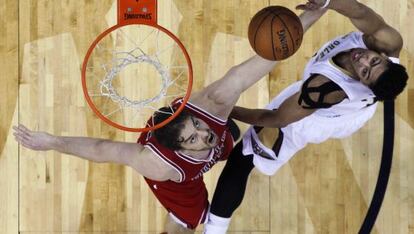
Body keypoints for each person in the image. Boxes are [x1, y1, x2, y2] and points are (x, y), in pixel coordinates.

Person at [12, 8, 326, 234]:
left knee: (229, 137)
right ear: (178, 149)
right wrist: (52, 142)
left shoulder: (212, 105)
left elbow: (262, 60)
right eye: (193, 139)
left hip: (201, 132)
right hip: (180, 181)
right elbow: (100, 148)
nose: (205, 135)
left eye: (199, 128)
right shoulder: (158, 165)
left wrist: (313, 14)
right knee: (189, 221)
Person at [203, 0, 409, 233]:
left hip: (312, 121)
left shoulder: (324, 89)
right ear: (385, 56)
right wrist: (328, 2)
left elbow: (278, 119)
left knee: (242, 160)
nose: (361, 59)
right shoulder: (388, 42)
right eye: (373, 61)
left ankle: (214, 230)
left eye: (364, 71)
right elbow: (360, 11)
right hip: (357, 111)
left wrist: (225, 109)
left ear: (361, 81)